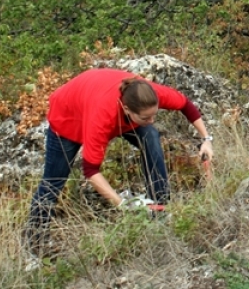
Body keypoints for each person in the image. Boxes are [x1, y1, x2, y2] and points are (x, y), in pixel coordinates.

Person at [26, 69, 214, 251]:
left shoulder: (148, 94)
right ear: (126, 109)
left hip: (101, 96)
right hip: (69, 116)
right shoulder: (102, 116)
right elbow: (91, 170)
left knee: (150, 135)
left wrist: (206, 139)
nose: (151, 119)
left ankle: (160, 208)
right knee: (53, 182)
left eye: (154, 114)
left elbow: (185, 105)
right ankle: (36, 244)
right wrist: (123, 204)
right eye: (145, 117)